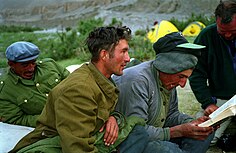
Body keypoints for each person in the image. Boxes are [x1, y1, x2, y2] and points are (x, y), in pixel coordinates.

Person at [10, 26, 149, 153]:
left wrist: (112, 117)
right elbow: (77, 148)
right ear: (104, 55)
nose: (128, 58)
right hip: (55, 146)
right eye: (123, 52)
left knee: (138, 132)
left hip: (87, 137)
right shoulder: (79, 90)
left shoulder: (101, 78)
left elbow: (100, 110)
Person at [112, 32, 215, 153]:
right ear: (167, 67)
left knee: (204, 134)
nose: (182, 84)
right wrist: (179, 131)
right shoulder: (138, 81)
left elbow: (170, 115)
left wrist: (192, 123)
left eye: (186, 78)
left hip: (154, 135)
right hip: (129, 142)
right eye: (181, 77)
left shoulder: (169, 80)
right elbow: (136, 132)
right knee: (169, 150)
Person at [189, 0, 236, 146]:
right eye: (222, 31)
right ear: (216, 21)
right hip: (222, 102)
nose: (228, 35)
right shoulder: (206, 36)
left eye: (233, 31)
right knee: (203, 137)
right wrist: (208, 102)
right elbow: (196, 74)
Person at [0, 41, 70, 127]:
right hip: (50, 127)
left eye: (33, 62)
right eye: (25, 65)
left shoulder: (50, 66)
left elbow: (74, 83)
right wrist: (50, 119)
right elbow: (16, 119)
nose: (31, 68)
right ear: (11, 64)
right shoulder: (5, 90)